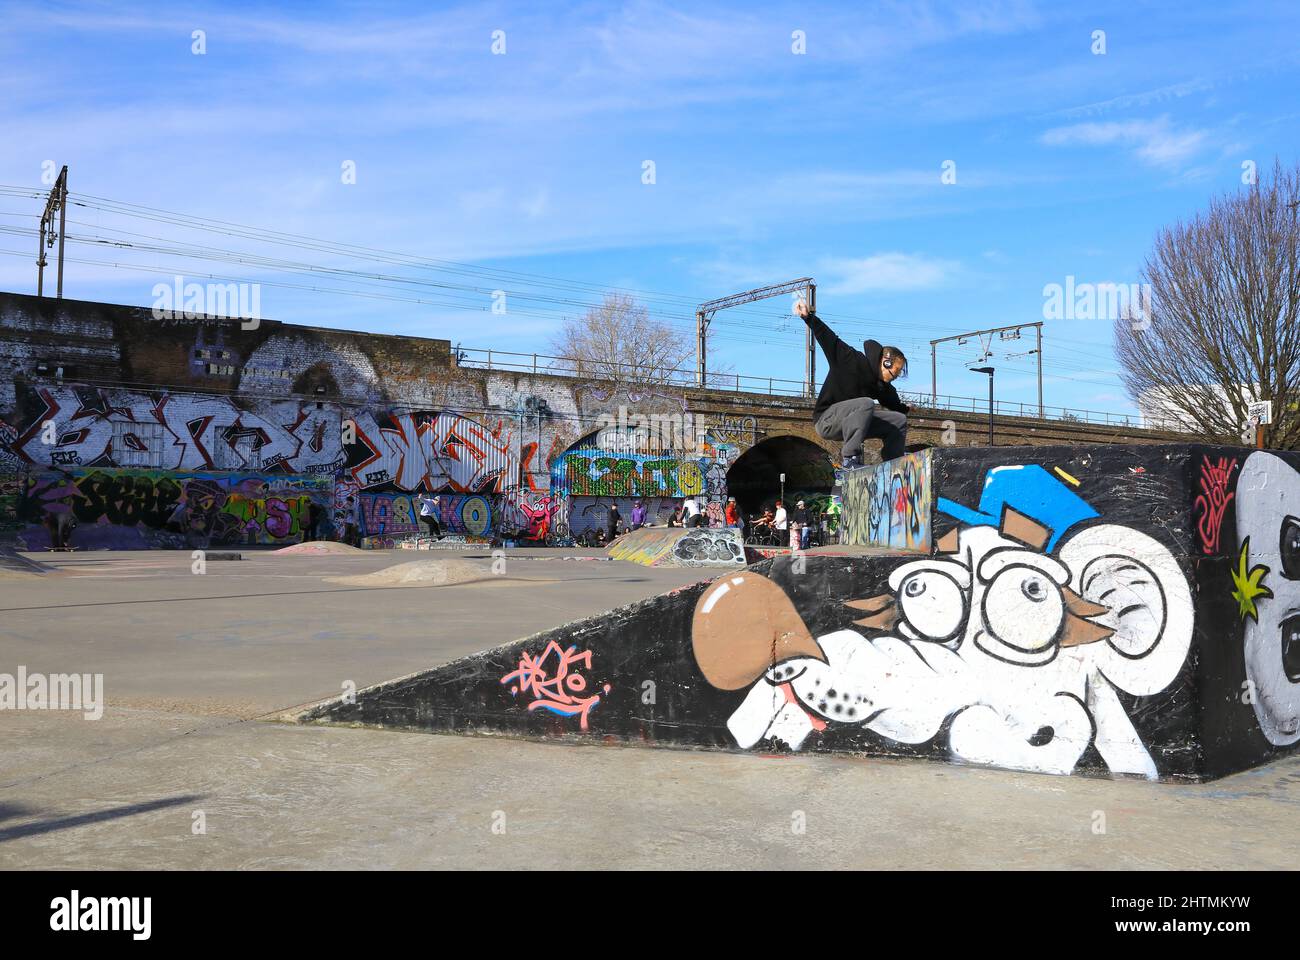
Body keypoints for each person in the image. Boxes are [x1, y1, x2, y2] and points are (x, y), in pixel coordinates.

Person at [796, 300, 910, 467]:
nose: (895, 377)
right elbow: (829, 339)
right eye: (895, 372)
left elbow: (892, 403)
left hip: (853, 419)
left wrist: (905, 409)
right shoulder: (850, 359)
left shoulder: (882, 386)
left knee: (898, 420)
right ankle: (850, 459)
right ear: (885, 362)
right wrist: (808, 317)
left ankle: (893, 465)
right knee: (866, 403)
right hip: (827, 420)